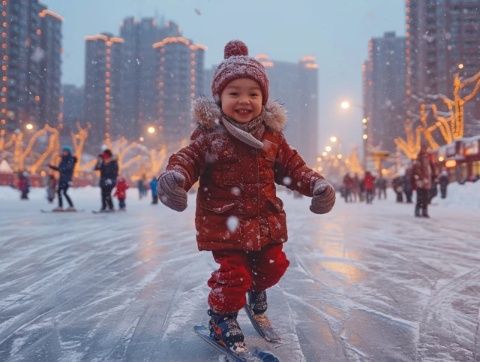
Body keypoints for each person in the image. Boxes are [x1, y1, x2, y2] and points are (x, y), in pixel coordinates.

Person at [156, 40, 336, 354]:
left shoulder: (272, 138)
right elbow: (187, 159)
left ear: (263, 99)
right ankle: (221, 317)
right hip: (225, 223)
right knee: (235, 275)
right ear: (219, 98)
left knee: (274, 265)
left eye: (253, 94)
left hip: (265, 222)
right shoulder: (210, 136)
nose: (244, 101)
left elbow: (294, 167)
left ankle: (256, 291)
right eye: (234, 93)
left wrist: (317, 185)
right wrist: (177, 179)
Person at [48, 146, 77, 211]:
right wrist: (51, 167)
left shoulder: (70, 159)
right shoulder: (63, 160)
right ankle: (63, 206)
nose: (64, 153)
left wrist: (62, 169)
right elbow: (59, 169)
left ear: (68, 152)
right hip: (62, 178)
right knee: (60, 192)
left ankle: (69, 206)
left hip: (67, 179)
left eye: (65, 152)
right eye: (63, 151)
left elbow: (68, 168)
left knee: (63, 192)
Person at [412, 146, 435, 217]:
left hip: (427, 181)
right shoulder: (420, 159)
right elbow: (417, 170)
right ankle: (418, 211)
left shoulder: (428, 159)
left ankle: (424, 211)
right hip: (421, 181)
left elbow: (432, 169)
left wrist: (433, 176)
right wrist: (421, 178)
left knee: (425, 197)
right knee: (420, 197)